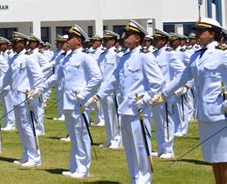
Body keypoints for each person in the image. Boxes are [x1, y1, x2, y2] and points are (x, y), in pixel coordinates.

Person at [151, 18, 227, 184]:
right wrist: (163, 94)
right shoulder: (196, 56)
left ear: (212, 34)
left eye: (201, 32)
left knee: (224, 158)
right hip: (205, 113)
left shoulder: (222, 53)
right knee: (214, 158)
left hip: (221, 113)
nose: (197, 35)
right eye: (197, 31)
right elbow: (182, 77)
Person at [94, 20, 164, 184]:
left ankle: (144, 179)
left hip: (138, 110)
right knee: (130, 147)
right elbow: (113, 80)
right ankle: (135, 177)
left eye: (128, 35)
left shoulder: (145, 57)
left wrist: (146, 100)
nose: (124, 38)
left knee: (141, 146)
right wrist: (98, 95)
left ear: (137, 39)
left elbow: (158, 82)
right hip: (125, 108)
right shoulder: (124, 58)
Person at [38, 25, 102, 178]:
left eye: (71, 37)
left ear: (78, 40)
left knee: (81, 135)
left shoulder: (86, 57)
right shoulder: (67, 57)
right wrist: (41, 87)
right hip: (68, 102)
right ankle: (74, 167)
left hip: (79, 103)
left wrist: (84, 93)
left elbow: (97, 77)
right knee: (73, 136)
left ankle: (83, 168)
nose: (67, 40)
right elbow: (57, 76)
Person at [0, 32, 44, 168]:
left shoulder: (29, 58)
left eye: (19, 42)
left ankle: (35, 157)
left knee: (28, 127)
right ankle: (26, 153)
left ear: (24, 43)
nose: (16, 45)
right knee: (21, 128)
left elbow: (38, 77)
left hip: (26, 97)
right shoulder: (14, 59)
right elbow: (7, 77)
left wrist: (34, 92)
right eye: (15, 42)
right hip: (16, 98)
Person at [150, 29, 185, 159]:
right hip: (155, 94)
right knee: (158, 123)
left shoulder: (169, 54)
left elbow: (181, 71)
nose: (154, 41)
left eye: (157, 39)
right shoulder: (153, 54)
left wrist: (171, 88)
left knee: (167, 122)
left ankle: (169, 150)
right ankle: (161, 148)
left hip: (165, 94)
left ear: (164, 41)